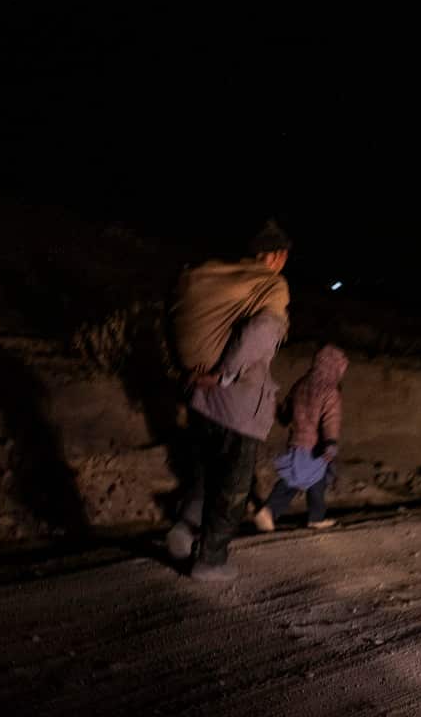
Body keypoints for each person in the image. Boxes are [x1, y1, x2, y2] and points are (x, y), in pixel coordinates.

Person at [165, 220, 291, 582]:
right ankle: (211, 560)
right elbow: (261, 332)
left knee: (206, 471)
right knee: (233, 486)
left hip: (202, 400)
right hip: (237, 403)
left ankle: (184, 530)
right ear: (278, 256)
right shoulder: (271, 284)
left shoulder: (218, 276)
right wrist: (226, 374)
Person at [254, 344, 347, 532]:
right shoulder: (330, 391)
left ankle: (314, 516)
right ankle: (270, 510)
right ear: (335, 367)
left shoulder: (301, 384)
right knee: (297, 480)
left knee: (311, 480)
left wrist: (276, 408)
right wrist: (330, 443)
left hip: (297, 442)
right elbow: (331, 419)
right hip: (316, 446)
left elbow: (286, 414)